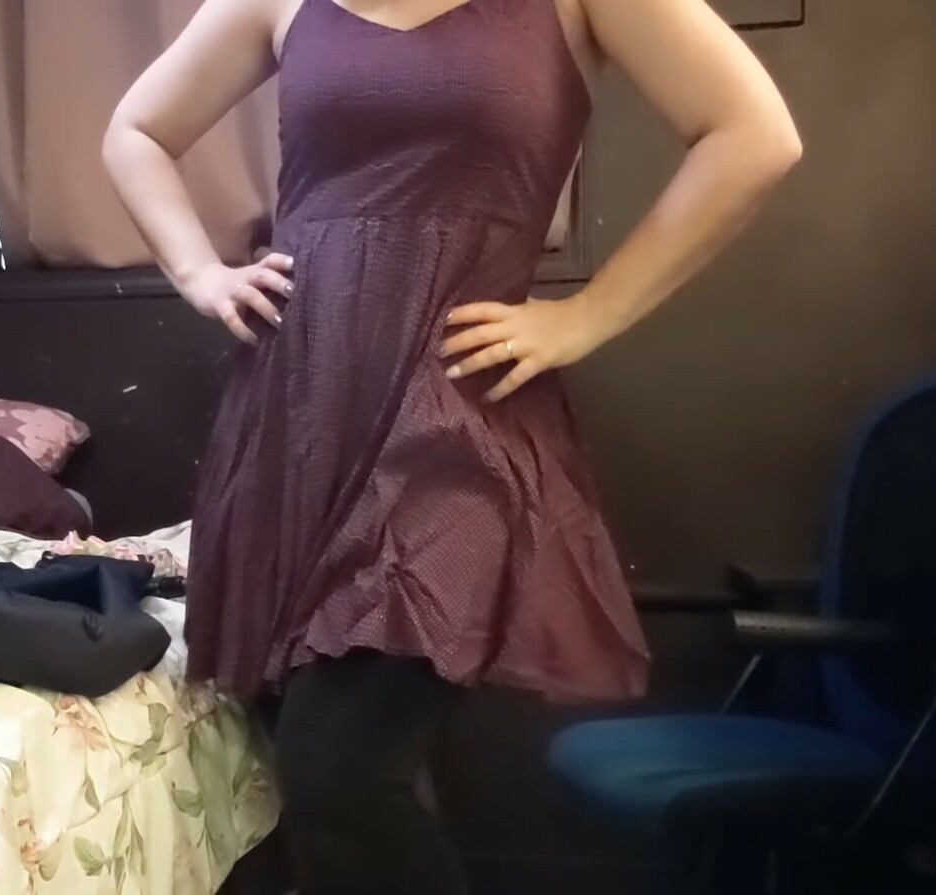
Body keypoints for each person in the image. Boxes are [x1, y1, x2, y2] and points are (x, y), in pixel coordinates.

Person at [102, 1, 800, 891]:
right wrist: (198, 271)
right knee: (346, 779)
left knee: (340, 773)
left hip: (456, 419)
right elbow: (136, 130)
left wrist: (589, 314)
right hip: (300, 416)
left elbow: (755, 135)